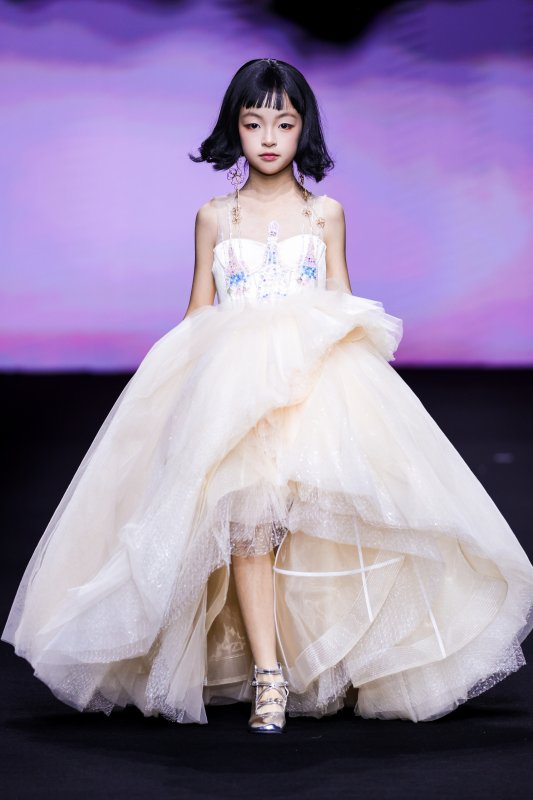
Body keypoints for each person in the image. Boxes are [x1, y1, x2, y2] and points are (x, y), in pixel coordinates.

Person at [2, 58, 533, 736]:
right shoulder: (213, 217)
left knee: (319, 530)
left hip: (317, 389)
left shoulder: (325, 213)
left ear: (303, 128)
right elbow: (199, 311)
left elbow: (340, 300)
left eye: (283, 123)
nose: (269, 138)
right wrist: (172, 392)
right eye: (253, 123)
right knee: (248, 526)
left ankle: (331, 664)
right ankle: (268, 677)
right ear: (235, 128)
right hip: (235, 393)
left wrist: (367, 391)